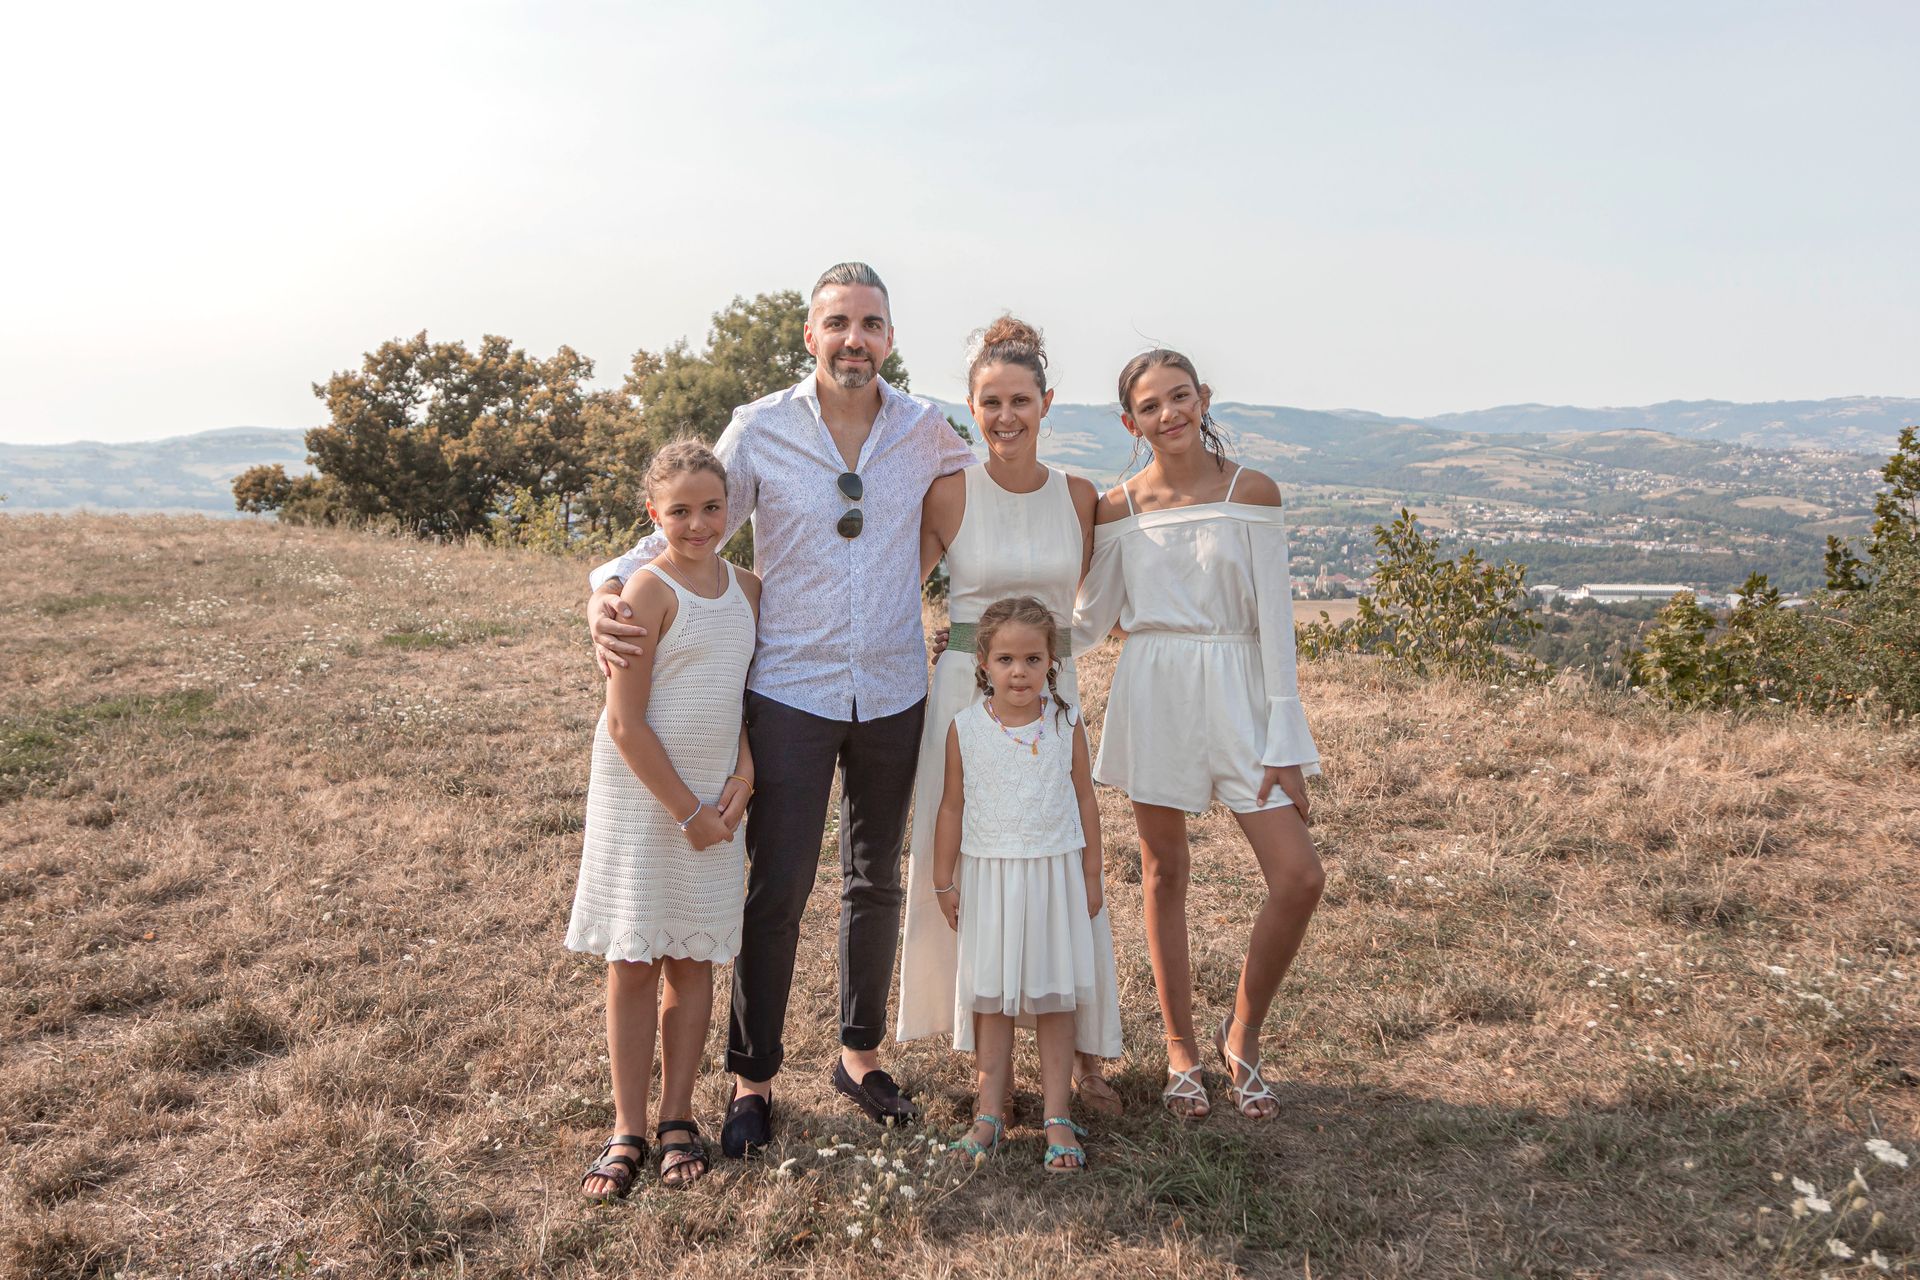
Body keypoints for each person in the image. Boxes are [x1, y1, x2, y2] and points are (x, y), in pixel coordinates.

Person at [585, 263, 977, 1158]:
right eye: (837, 322)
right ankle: (751, 1078)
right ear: (811, 335)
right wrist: (603, 584)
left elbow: (987, 497)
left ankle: (858, 1052)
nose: (854, 339)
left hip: (891, 688)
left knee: (875, 883)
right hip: (788, 690)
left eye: (871, 324)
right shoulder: (760, 429)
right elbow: (688, 523)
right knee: (778, 888)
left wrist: (905, 581)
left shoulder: (925, 430)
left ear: (889, 336)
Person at [1072, 348, 1324, 1122]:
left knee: (1298, 876)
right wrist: (992, 631)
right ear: (1130, 421)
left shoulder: (1252, 490)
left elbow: (1276, 625)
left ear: (1203, 397)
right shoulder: (1117, 507)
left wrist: (1286, 739)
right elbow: (1089, 618)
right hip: (1156, 690)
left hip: (1242, 691)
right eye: (1151, 406)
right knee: (1162, 872)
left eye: (1180, 397)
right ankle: (1180, 1047)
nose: (1169, 414)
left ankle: (1241, 1037)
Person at [896, 316, 1122, 1111]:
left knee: (1063, 856)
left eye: (1020, 400)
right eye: (990, 401)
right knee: (959, 855)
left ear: (1047, 401)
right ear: (970, 404)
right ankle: (977, 1044)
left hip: (1052, 701)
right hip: (965, 694)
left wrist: (1071, 652)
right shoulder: (948, 493)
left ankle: (1086, 1056)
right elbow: (888, 586)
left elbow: (1108, 600)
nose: (1006, 417)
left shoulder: (1082, 497)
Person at [567, 440, 761, 1197]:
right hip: (647, 798)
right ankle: (629, 1128)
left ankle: (680, 1116)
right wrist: (686, 813)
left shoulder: (748, 590)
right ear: (654, 516)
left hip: (716, 797)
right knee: (635, 958)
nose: (698, 523)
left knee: (695, 956)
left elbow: (741, 697)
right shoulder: (646, 591)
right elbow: (624, 723)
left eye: (712, 508)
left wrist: (742, 774)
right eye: (679, 511)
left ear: (730, 512)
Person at [931, 597, 1115, 1171]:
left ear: (1050, 662)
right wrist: (943, 879)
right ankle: (989, 1113)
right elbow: (951, 807)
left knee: (1055, 995)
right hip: (990, 875)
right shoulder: (965, 729)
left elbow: (1085, 797)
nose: (1019, 671)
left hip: (1054, 873)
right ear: (982, 662)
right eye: (1006, 658)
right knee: (992, 997)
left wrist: (1090, 871)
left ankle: (1057, 1115)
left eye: (1032, 659)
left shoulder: (1067, 722)